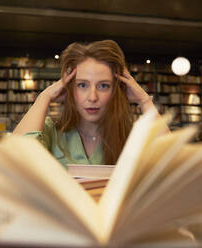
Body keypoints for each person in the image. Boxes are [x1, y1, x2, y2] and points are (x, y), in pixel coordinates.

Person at [13, 40, 162, 167]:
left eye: (103, 86)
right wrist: (44, 97)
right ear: (69, 88)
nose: (92, 97)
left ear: (115, 90)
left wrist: (144, 100)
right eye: (82, 85)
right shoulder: (49, 131)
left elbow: (171, 164)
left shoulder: (131, 135)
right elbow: (14, 160)